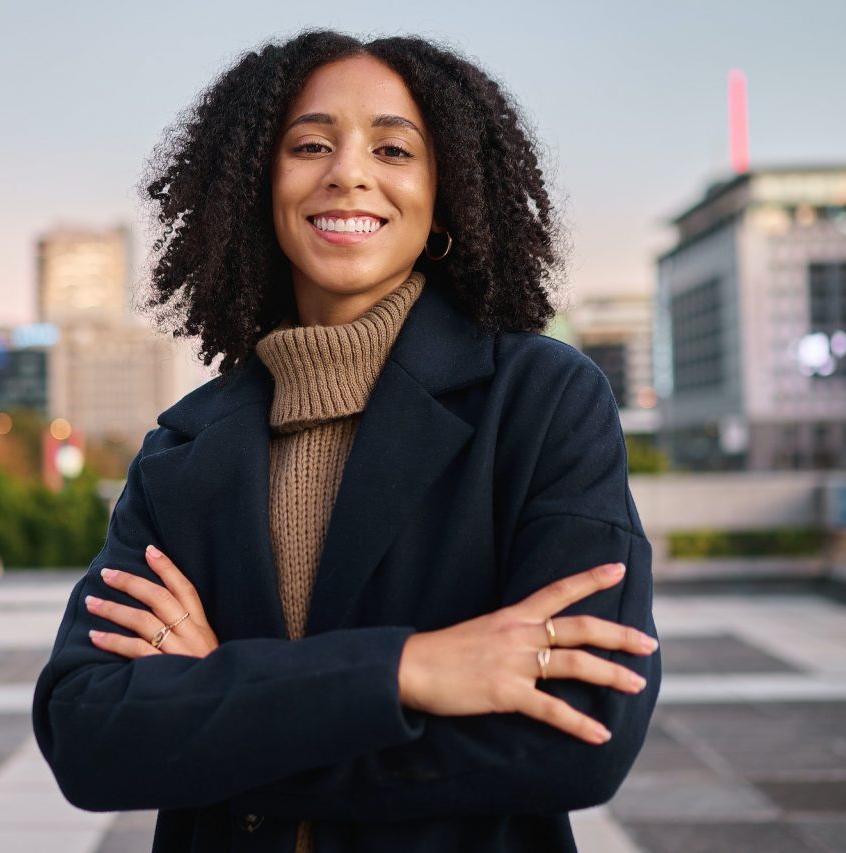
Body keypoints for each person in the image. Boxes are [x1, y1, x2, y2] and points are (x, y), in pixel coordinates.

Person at [34, 30, 660, 853]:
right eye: (310, 144)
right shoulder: (183, 448)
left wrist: (222, 707)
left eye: (394, 147)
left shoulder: (542, 402)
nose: (349, 171)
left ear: (446, 193)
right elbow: (87, 733)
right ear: (260, 182)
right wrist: (409, 672)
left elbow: (581, 732)